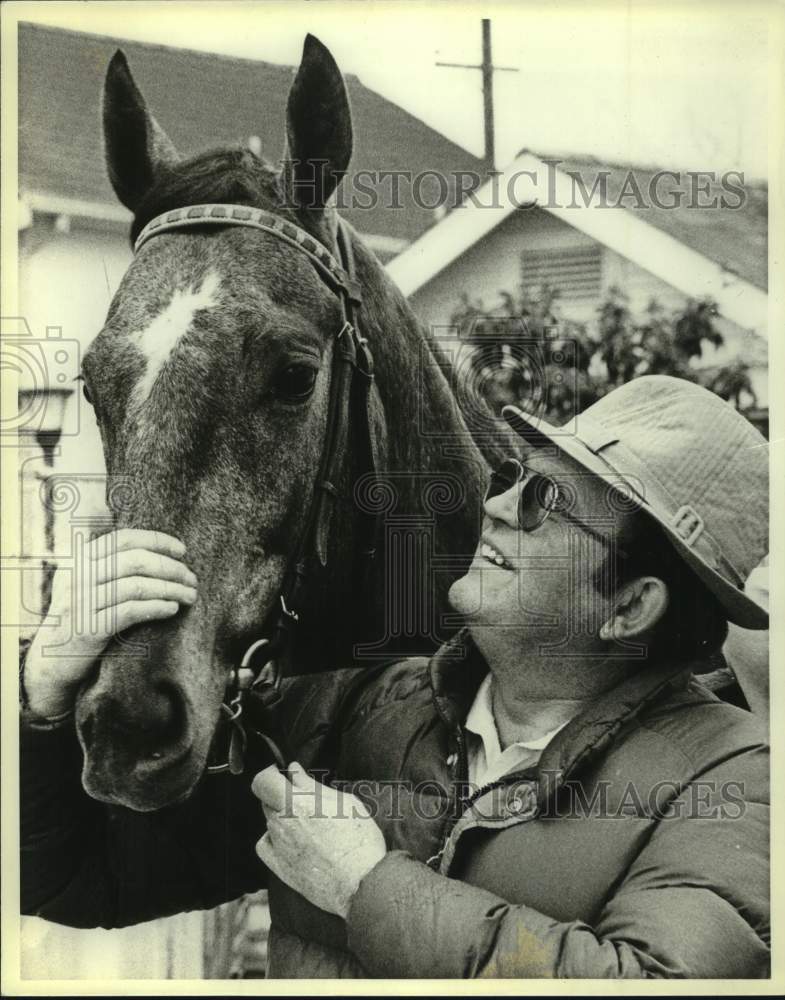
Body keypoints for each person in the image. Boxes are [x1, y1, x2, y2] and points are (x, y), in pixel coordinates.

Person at [20, 375, 770, 978]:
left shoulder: (737, 777)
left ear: (631, 606)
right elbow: (80, 878)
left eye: (545, 502)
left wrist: (366, 889)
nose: (498, 507)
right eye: (512, 476)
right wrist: (44, 692)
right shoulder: (354, 705)